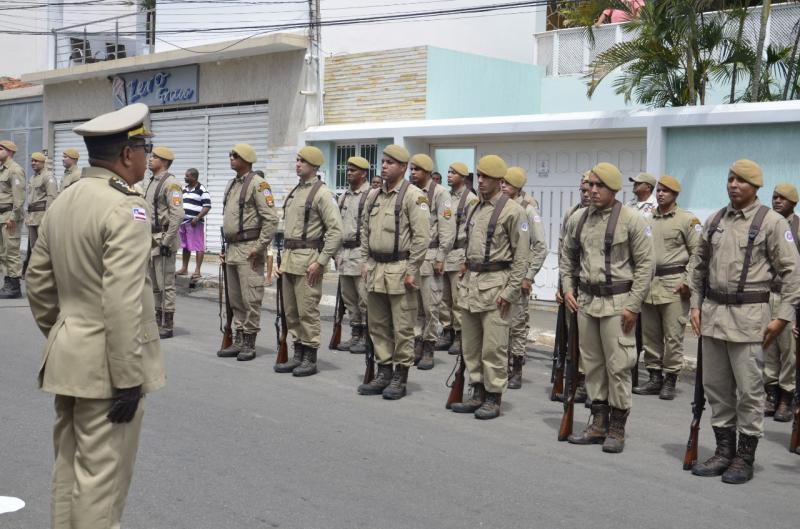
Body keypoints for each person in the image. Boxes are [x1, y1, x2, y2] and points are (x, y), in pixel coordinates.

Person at [25, 102, 166, 529]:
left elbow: (38, 283)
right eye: (146, 147)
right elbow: (123, 300)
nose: (147, 155)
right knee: (101, 485)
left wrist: (66, 332)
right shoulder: (126, 207)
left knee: (69, 471)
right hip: (108, 368)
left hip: (69, 356)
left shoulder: (65, 201)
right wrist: (128, 379)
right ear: (127, 154)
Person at [688, 160, 800, 484]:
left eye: (741, 180)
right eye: (730, 179)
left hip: (751, 320)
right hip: (713, 318)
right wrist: (695, 305)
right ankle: (724, 452)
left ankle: (744, 458)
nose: (733, 185)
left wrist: (783, 316)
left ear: (755, 186)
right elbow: (697, 267)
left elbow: (794, 272)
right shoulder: (714, 220)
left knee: (750, 391)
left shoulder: (773, 223)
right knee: (717, 389)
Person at [561, 162, 654, 453]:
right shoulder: (579, 219)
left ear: (613, 189)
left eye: (599, 186)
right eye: (590, 185)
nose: (592, 190)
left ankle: (617, 428)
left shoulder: (632, 219)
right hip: (587, 301)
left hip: (618, 304)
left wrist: (634, 305)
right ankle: (598, 423)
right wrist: (567, 288)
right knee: (593, 366)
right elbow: (567, 257)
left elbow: (646, 265)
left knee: (619, 366)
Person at [449, 155, 530, 419]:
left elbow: (521, 257)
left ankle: (493, 397)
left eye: (486, 177)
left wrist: (510, 291)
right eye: (479, 176)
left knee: (493, 347)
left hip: (497, 287)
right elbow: (465, 242)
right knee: (471, 345)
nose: (480, 181)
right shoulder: (474, 206)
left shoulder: (513, 211)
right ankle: (477, 391)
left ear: (499, 181)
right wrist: (463, 266)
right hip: (472, 284)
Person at [356, 144, 430, 400]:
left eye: (390, 162)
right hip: (376, 269)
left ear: (403, 167)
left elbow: (422, 238)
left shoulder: (414, 196)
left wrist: (413, 270)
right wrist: (365, 260)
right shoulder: (374, 196)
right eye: (383, 161)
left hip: (400, 269)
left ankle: (400, 376)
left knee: (402, 328)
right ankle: (383, 371)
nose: (384, 166)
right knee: (377, 325)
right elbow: (364, 231)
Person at [273, 146, 342, 376]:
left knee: (307, 310)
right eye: (297, 160)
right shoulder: (295, 191)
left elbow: (335, 231)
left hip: (309, 260)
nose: (297, 164)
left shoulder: (322, 194)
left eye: (302, 161)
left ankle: (310, 357)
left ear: (313, 165)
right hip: (290, 259)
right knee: (291, 312)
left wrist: (321, 262)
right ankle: (298, 353)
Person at [633, 176, 700, 400]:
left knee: (673, 336)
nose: (661, 194)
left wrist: (688, 283)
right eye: (659, 190)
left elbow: (698, 255)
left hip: (674, 284)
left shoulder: (687, 220)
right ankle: (654, 377)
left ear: (675, 195)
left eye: (666, 191)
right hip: (649, 285)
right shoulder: (646, 219)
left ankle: (670, 379)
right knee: (651, 335)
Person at [217, 144, 279, 361]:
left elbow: (271, 219)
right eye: (230, 154)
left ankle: (250, 342)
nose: (231, 158)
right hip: (233, 248)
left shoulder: (258, 184)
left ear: (246, 159)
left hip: (249, 248)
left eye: (235, 156)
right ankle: (239, 338)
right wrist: (224, 248)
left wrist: (259, 247)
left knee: (250, 297)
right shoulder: (231, 184)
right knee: (235, 298)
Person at [501, 166, 547, 389]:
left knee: (517, 324)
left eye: (507, 184)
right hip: (499, 274)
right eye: (502, 182)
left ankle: (516, 368)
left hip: (519, 275)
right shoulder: (500, 206)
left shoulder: (528, 210)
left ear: (517, 187)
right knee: (499, 322)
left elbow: (540, 247)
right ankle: (501, 365)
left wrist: (529, 275)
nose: (502, 186)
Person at [409, 153, 455, 370]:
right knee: (415, 307)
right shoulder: (411, 193)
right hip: (414, 258)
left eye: (417, 169)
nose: (413, 173)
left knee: (431, 306)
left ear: (427, 172)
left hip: (431, 256)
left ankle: (429, 347)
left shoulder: (440, 193)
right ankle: (417, 344)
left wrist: (441, 257)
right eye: (411, 169)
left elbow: (447, 229)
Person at [555, 172, 592, 403]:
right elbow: (564, 252)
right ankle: (577, 381)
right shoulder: (573, 214)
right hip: (573, 284)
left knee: (590, 340)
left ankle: (592, 385)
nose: (587, 193)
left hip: (594, 286)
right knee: (573, 337)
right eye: (584, 189)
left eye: (591, 188)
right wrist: (562, 285)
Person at [763, 183, 799, 422]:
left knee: (789, 351)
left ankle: (786, 397)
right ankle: (771, 393)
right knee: (767, 347)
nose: (777, 201)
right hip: (766, 295)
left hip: (790, 296)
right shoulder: (766, 224)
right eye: (774, 197)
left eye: (782, 198)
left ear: (793, 203)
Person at [144, 146, 183, 339]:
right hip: (151, 240)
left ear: (165, 162)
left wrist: (166, 242)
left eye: (155, 157)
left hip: (163, 240)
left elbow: (177, 215)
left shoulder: (171, 184)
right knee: (155, 285)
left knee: (166, 284)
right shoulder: (151, 182)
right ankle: (158, 318)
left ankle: (167, 323)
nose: (150, 159)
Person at [439, 161, 477, 356]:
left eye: (453, 173)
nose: (449, 175)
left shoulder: (470, 199)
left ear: (463, 177)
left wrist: (466, 261)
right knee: (443, 298)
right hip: (444, 254)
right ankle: (447, 331)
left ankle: (460, 335)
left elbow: (472, 231)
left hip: (459, 253)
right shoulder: (445, 197)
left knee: (458, 298)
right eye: (448, 172)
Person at [334, 156, 371, 353]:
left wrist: (367, 259)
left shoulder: (371, 195)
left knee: (364, 298)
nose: (349, 172)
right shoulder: (344, 196)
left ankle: (366, 336)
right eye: (348, 169)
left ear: (363, 173)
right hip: (345, 253)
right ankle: (355, 334)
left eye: (354, 170)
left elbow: (370, 229)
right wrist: (337, 253)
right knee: (349, 299)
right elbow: (338, 227)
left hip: (361, 252)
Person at [22, 152, 58, 276]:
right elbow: (30, 199)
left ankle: (49, 274)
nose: (33, 163)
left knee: (45, 247)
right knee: (34, 247)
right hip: (32, 217)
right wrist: (27, 215)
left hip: (42, 216)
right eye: (32, 161)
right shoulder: (32, 178)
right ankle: (38, 274)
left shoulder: (48, 176)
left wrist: (48, 217)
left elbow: (52, 197)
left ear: (43, 162)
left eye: (36, 161)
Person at [0, 139, 26, 299]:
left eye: (0, 148)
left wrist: (13, 218)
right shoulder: (2, 170)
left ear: (9, 152)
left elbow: (19, 198)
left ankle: (14, 287)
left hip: (10, 216)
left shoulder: (15, 170)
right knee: (3, 252)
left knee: (12, 252)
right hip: (2, 216)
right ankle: (8, 283)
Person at [177, 168, 211, 280]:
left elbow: (207, 206)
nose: (185, 178)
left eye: (187, 176)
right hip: (184, 223)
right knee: (185, 246)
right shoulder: (184, 189)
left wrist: (197, 218)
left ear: (194, 177)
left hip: (194, 223)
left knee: (198, 246)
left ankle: (197, 270)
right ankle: (184, 268)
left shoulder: (202, 190)